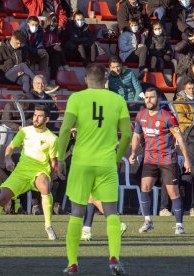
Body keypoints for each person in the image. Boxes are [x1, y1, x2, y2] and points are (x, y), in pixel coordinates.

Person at [58, 64, 132, 275]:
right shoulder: (117, 100)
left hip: (81, 163)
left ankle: (73, 264)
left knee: (77, 213)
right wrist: (117, 158)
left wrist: (61, 158)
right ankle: (114, 258)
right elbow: (126, 135)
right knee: (111, 212)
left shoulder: (76, 98)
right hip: (106, 163)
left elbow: (64, 130)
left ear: (86, 79)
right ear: (106, 79)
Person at [0, 105, 60, 240]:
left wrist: (53, 175)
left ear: (46, 119)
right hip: (21, 171)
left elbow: (54, 161)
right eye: (35, 115)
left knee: (44, 185)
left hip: (40, 170)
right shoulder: (25, 131)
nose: (35, 118)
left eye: (39, 116)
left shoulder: (52, 138)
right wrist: (7, 159)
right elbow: (10, 147)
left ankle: (48, 226)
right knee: (2, 198)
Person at [129, 87, 191, 235]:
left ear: (158, 99)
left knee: (173, 192)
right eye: (146, 97)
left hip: (168, 159)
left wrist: (187, 160)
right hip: (150, 158)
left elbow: (180, 138)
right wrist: (133, 152)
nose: (148, 100)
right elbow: (137, 135)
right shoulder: (141, 115)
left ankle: (179, 225)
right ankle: (148, 221)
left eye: (152, 97)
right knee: (145, 187)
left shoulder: (167, 116)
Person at [19, 16, 50, 81]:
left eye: (36, 25)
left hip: (34, 50)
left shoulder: (40, 30)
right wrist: (36, 51)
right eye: (33, 25)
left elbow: (40, 43)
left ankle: (45, 80)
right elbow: (22, 45)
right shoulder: (21, 30)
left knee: (45, 54)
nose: (35, 27)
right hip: (24, 51)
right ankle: (31, 81)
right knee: (27, 54)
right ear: (28, 23)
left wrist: (41, 49)